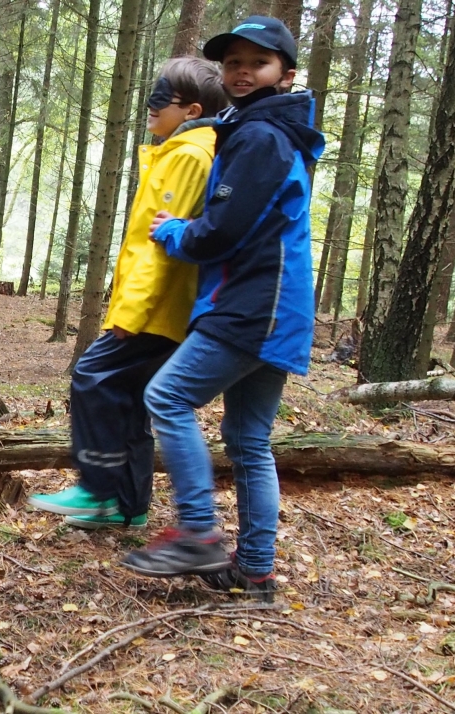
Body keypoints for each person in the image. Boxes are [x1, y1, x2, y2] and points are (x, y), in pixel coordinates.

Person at [121, 16, 325, 603]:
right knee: (249, 441)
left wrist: (177, 233)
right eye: (233, 63)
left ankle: (198, 533)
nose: (241, 72)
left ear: (285, 74)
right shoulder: (258, 128)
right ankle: (256, 571)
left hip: (251, 304)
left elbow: (224, 230)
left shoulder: (263, 137)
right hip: (277, 311)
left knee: (166, 396)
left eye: (256, 63)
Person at [26, 58, 228, 530]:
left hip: (156, 310)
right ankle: (130, 506)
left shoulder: (185, 157)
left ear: (192, 109)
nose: (150, 105)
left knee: (92, 374)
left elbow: (159, 247)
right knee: (132, 397)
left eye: (163, 98)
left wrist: (131, 311)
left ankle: (95, 490)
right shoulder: (187, 152)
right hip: (167, 311)